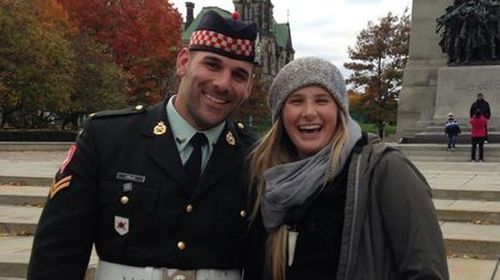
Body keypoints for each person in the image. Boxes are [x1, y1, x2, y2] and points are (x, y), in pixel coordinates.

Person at [28, 11, 258, 280]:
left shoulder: (256, 157)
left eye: (239, 75)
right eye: (212, 65)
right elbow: (57, 256)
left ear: (250, 86)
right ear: (183, 62)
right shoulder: (108, 138)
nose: (223, 84)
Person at [245, 57, 449, 280]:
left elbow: (427, 271)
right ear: (280, 114)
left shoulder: (385, 169)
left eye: (322, 100)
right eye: (296, 101)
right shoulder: (269, 180)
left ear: (340, 109)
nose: (309, 112)